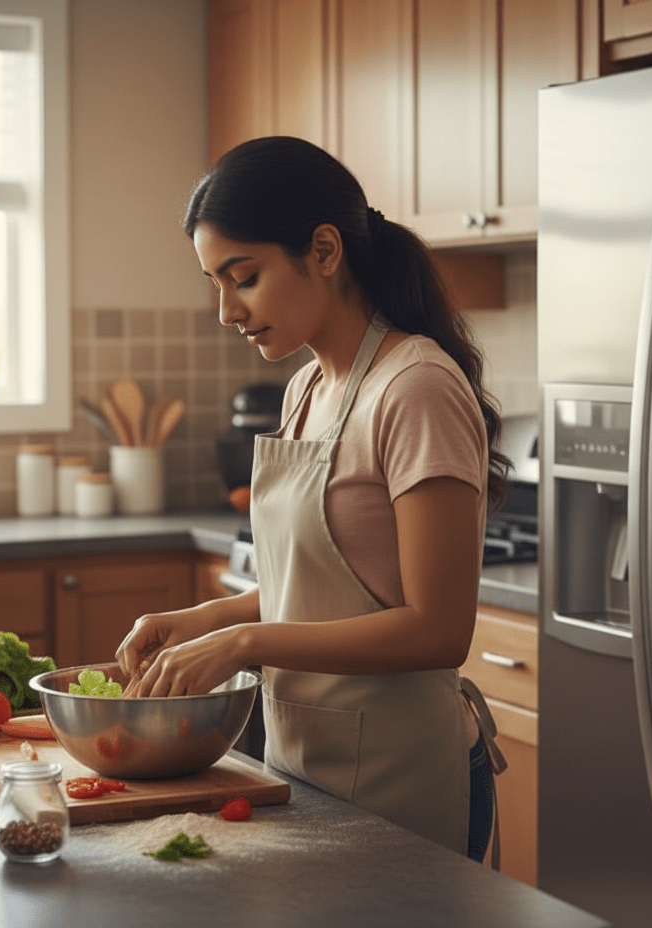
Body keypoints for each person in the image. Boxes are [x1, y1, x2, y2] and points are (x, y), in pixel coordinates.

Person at [116, 136, 510, 862]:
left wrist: (242, 642)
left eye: (244, 277)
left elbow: (438, 629)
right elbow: (325, 590)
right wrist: (203, 618)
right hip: (306, 765)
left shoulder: (415, 388)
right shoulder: (306, 389)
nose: (227, 310)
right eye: (215, 282)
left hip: (403, 778)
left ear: (324, 251)